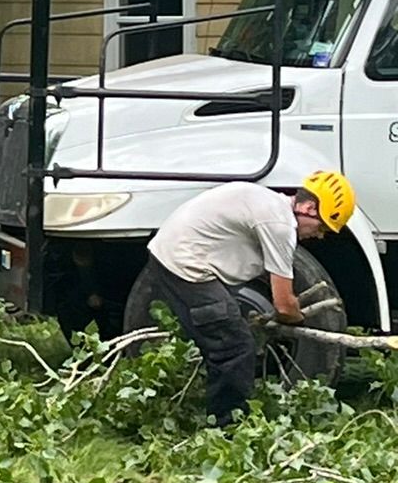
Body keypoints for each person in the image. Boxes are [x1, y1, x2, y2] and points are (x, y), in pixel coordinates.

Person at [139, 170, 357, 427]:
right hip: (185, 264)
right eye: (321, 226)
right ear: (308, 207)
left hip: (175, 252)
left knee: (226, 329)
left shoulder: (270, 204)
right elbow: (285, 306)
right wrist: (297, 317)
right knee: (235, 347)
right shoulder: (280, 226)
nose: (319, 235)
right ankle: (226, 427)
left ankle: (216, 411)